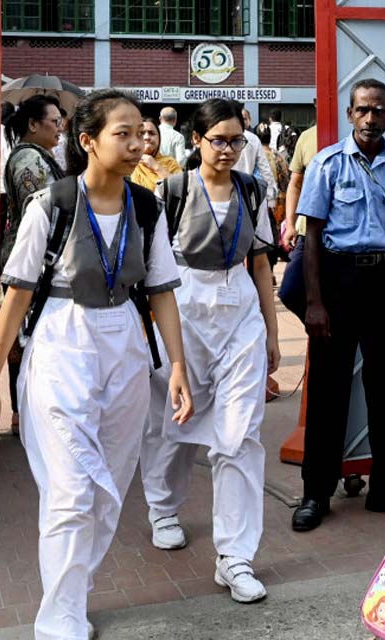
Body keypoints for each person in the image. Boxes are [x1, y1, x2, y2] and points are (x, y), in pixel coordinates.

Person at [0, 88, 193, 640]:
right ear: (87, 140)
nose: (138, 142)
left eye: (141, 131)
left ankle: (72, 591)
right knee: (72, 487)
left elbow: (163, 291)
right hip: (61, 342)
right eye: (122, 132)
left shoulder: (147, 207)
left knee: (109, 487)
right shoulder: (51, 204)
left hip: (124, 346)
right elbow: (16, 296)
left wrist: (179, 368)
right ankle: (60, 618)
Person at [140, 99, 281, 603]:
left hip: (238, 311)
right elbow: (153, 272)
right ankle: (163, 506)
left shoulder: (253, 189)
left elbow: (261, 262)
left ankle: (235, 555)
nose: (227, 149)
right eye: (218, 140)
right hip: (184, 312)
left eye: (236, 140)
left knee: (240, 434)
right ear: (196, 140)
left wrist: (270, 330)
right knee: (175, 421)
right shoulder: (170, 191)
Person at [292, 78, 385, 532]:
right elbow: (311, 236)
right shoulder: (327, 165)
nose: (371, 118)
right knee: (330, 393)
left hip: (380, 283)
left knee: (382, 392)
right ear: (350, 114)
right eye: (363, 110)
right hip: (336, 280)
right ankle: (315, 493)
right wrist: (314, 302)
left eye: (379, 110)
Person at [0, 95, 67, 435]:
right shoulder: (29, 159)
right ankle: (24, 412)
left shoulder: (38, 156)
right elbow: (48, 208)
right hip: (32, 261)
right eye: (54, 121)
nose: (60, 128)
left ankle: (23, 411)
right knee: (27, 337)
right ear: (33, 124)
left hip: (33, 258)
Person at [281, 123, 318, 250]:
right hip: (306, 230)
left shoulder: (356, 138)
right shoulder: (307, 137)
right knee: (293, 270)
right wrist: (290, 225)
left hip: (345, 237)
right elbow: (295, 184)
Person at [236, 108, 278, 213]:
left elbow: (265, 169)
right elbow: (265, 170)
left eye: (245, 118)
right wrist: (271, 197)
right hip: (248, 192)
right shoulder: (252, 139)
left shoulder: (253, 139)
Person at [130, 116, 182, 190]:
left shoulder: (170, 163)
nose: (147, 137)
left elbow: (180, 189)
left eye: (152, 133)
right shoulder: (127, 163)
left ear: (159, 138)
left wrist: (156, 167)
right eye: (141, 133)